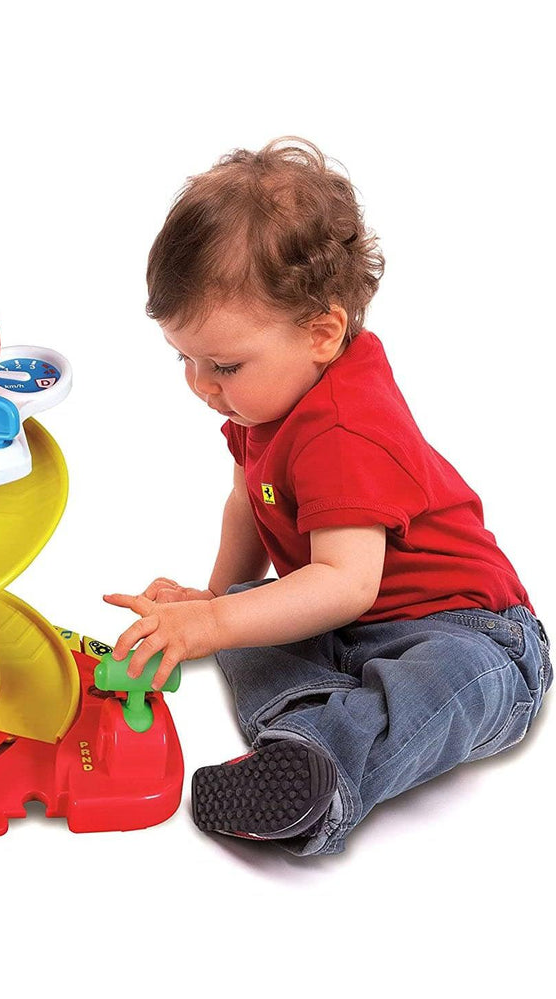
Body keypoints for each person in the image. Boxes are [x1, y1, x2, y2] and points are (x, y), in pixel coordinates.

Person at [103, 138, 551, 856]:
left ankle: (328, 776)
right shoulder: (267, 400)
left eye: (223, 364)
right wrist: (215, 603)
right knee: (248, 623)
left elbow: (346, 582)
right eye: (183, 358)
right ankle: (304, 742)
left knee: (455, 682)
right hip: (345, 622)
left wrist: (213, 623)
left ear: (322, 333)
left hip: (461, 627)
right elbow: (247, 503)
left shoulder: (344, 429)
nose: (200, 384)